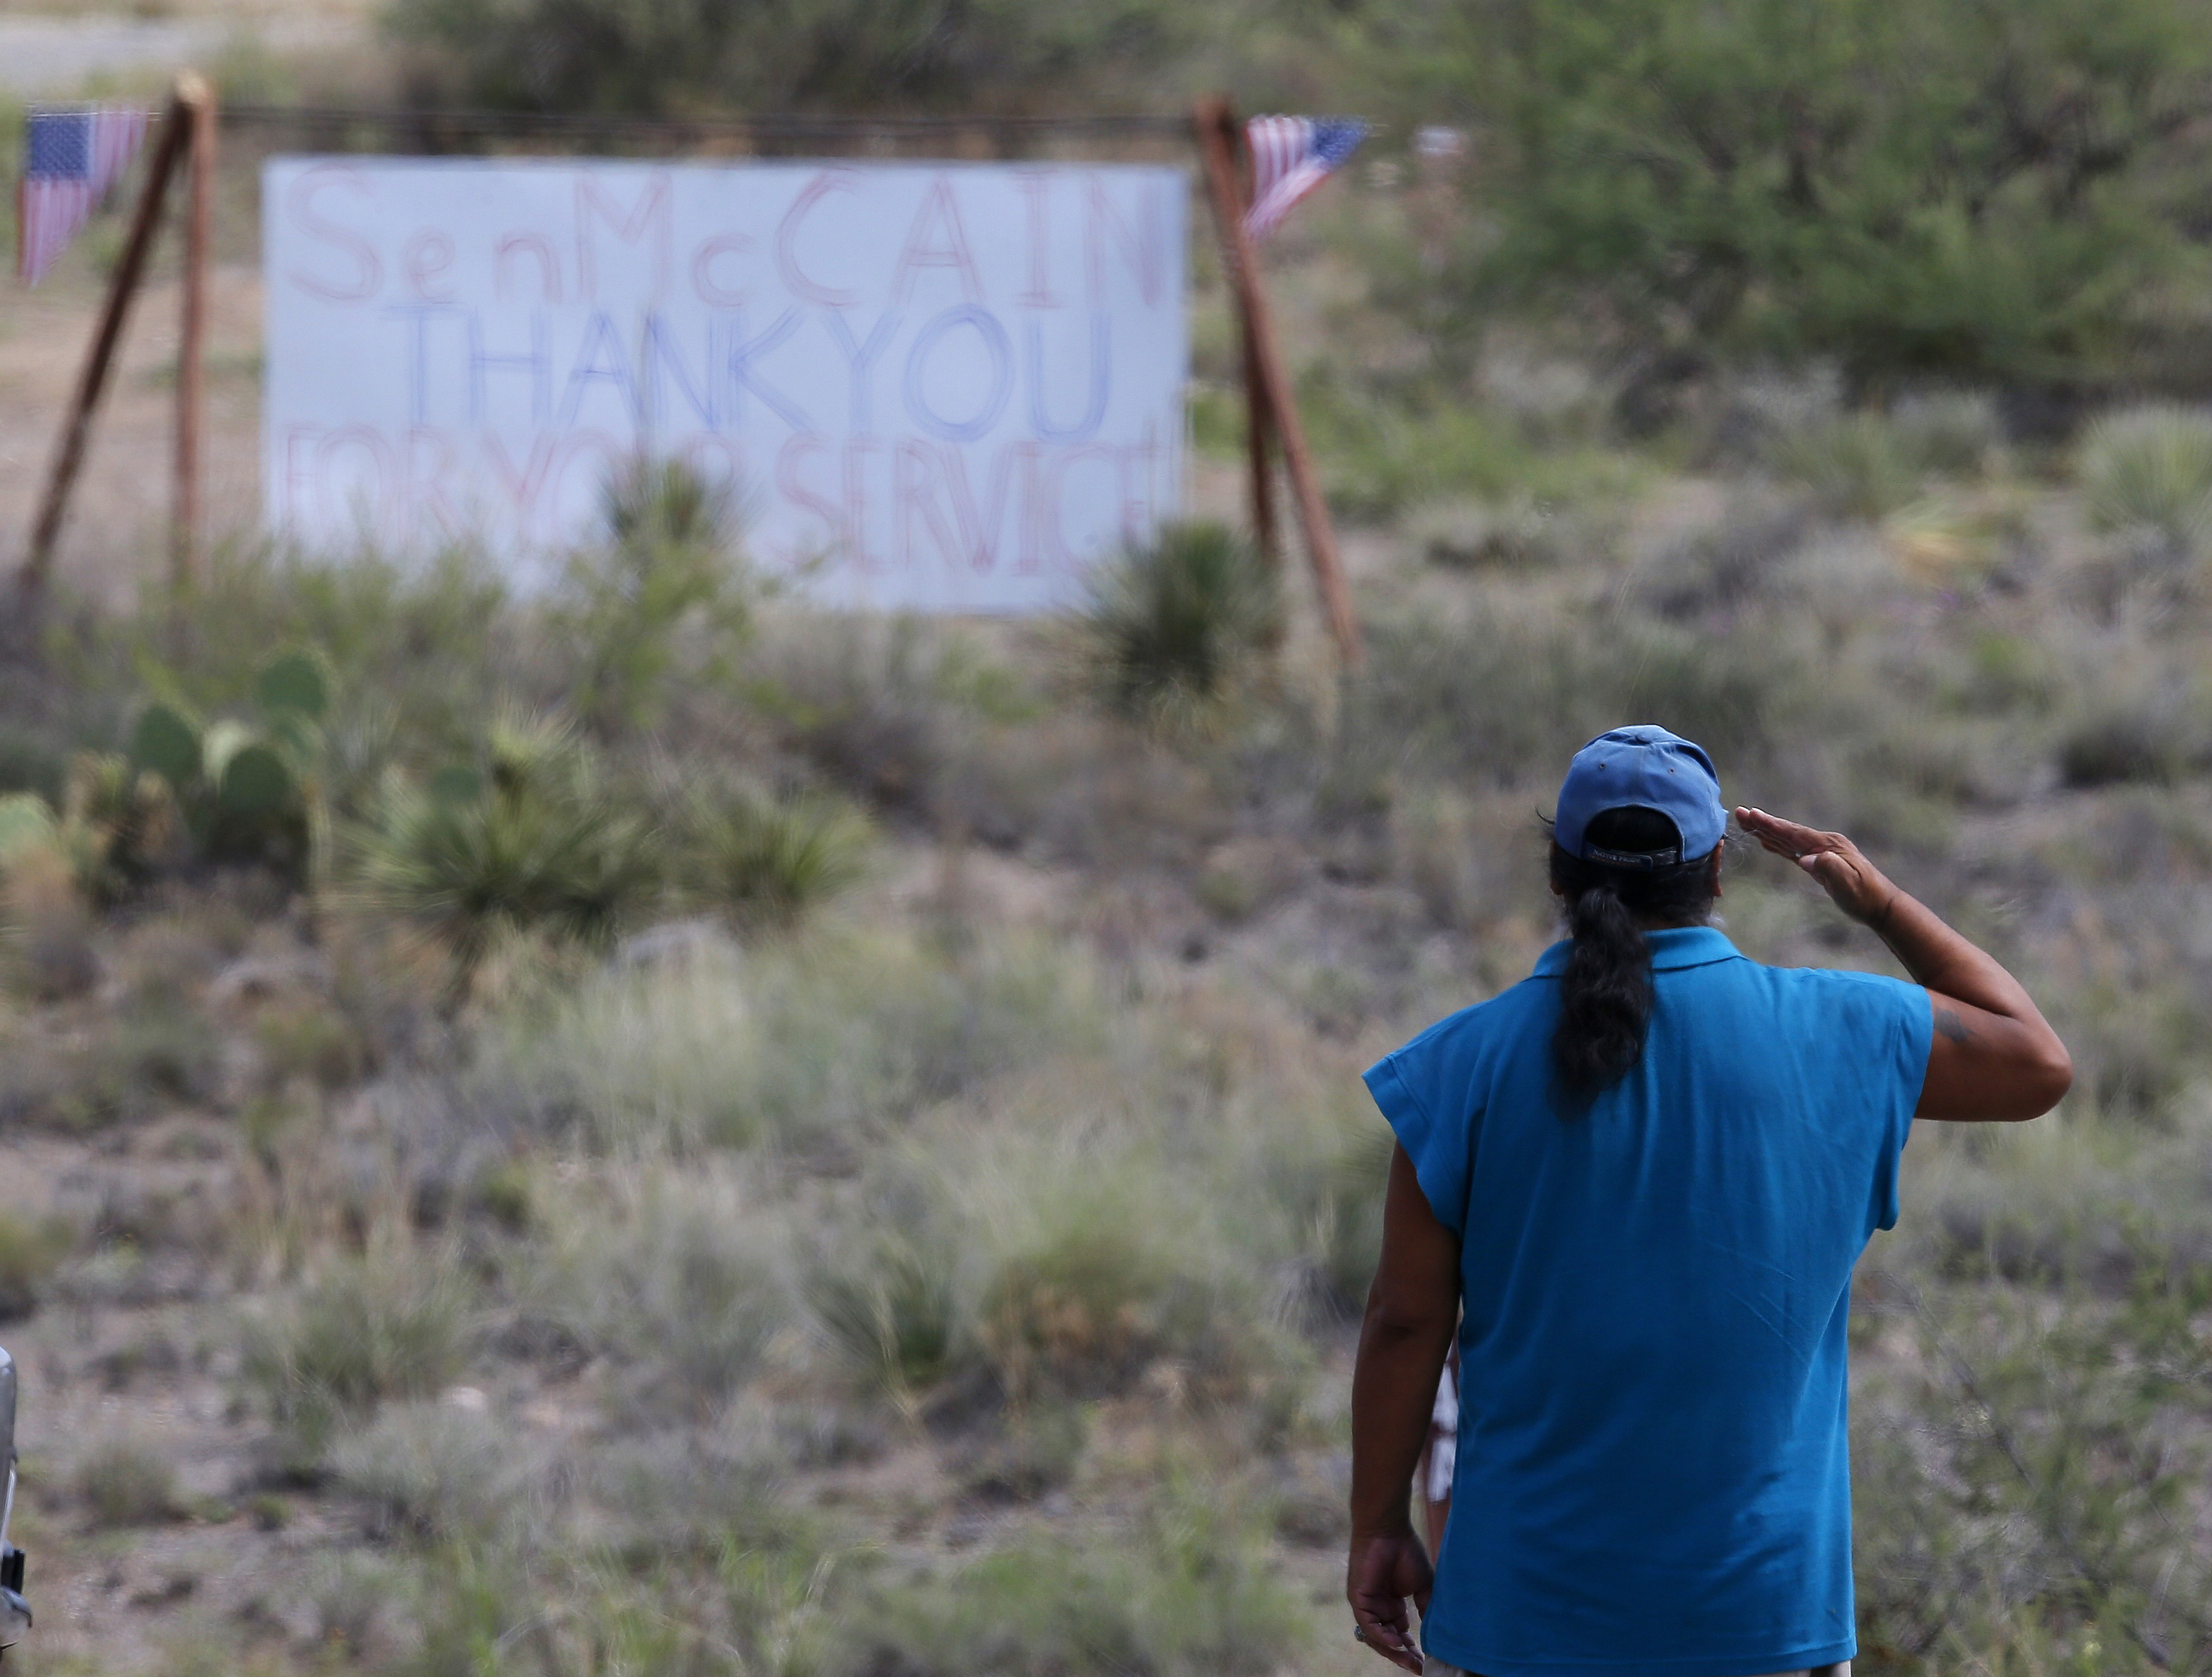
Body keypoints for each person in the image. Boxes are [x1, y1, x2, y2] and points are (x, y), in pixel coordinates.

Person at [1344, 725, 2071, 1677]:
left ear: (1558, 875)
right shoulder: (1839, 1030)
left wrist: (1377, 1523)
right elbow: (2036, 1060)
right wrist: (1879, 902)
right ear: (1717, 869)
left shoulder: (1457, 1068)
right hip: (1761, 1623)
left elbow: (1405, 1323)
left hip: (1523, 1623)